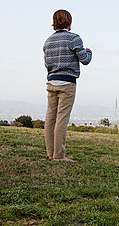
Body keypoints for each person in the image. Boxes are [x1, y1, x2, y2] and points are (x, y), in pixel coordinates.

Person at [43, 9, 92, 162]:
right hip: (67, 83)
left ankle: (50, 153)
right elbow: (85, 60)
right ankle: (59, 156)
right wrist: (89, 52)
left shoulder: (48, 41)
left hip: (51, 82)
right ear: (69, 22)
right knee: (61, 119)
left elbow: (47, 64)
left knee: (50, 119)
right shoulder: (74, 38)